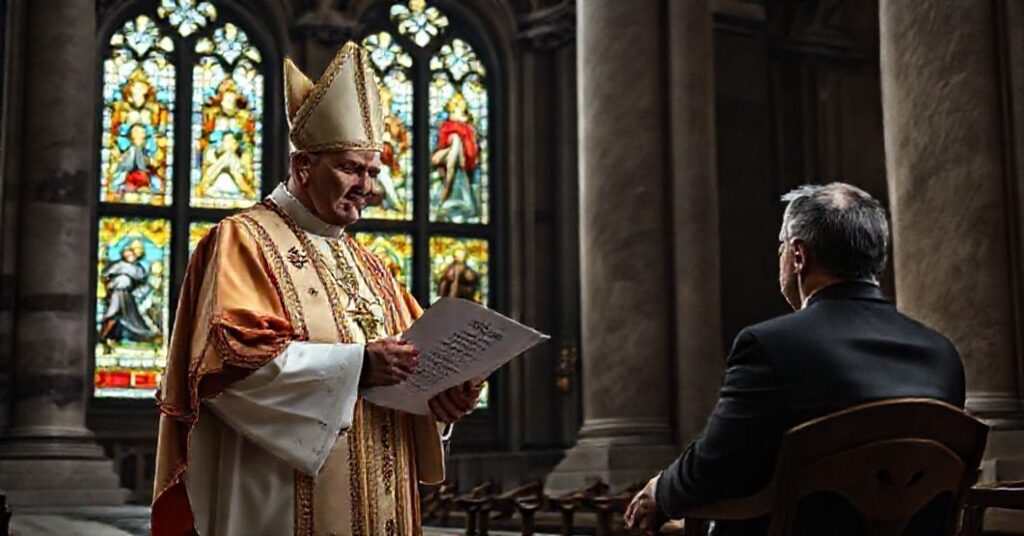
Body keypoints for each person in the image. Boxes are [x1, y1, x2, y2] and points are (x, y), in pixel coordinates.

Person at [152, 42, 481, 536]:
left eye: (373, 172)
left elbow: (420, 356)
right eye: (352, 168)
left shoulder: (372, 266)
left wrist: (447, 394)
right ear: (303, 166)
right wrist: (358, 364)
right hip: (279, 501)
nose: (368, 187)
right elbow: (227, 362)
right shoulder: (243, 241)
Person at [625, 183, 966, 535]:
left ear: (798, 255)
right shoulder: (942, 355)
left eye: (781, 248)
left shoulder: (771, 346)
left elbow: (716, 464)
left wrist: (659, 491)